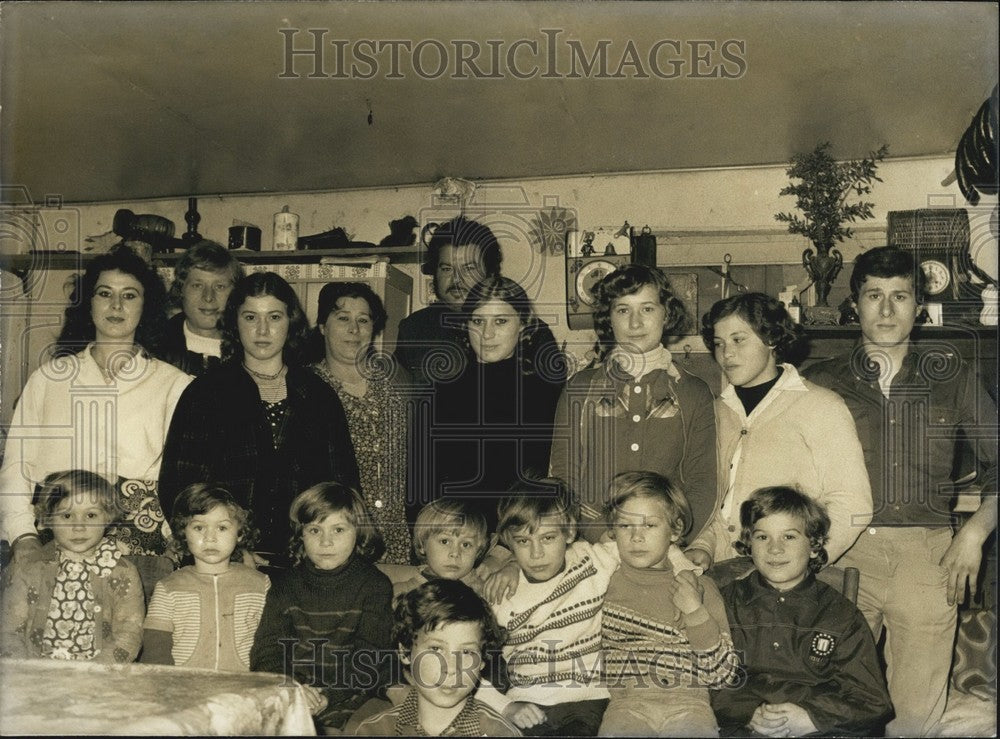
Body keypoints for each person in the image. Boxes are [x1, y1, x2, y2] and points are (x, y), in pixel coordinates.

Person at [803, 246, 997, 737]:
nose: (887, 310)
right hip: (841, 554)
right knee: (829, 707)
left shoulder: (953, 375)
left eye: (900, 296)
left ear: (918, 306)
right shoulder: (818, 383)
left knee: (914, 720)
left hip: (929, 556)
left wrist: (974, 534)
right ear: (856, 304)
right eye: (874, 295)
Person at [0, 245, 192, 598]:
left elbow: (187, 480)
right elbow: (15, 468)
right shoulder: (48, 379)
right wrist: (23, 538)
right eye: (105, 294)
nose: (116, 306)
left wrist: (175, 549)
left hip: (142, 558)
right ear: (88, 304)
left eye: (129, 295)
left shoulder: (176, 386)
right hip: (51, 548)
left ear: (146, 306)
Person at [158, 272, 360, 570]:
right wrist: (232, 551)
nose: (262, 329)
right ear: (234, 322)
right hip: (221, 561)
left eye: (274, 317)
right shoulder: (205, 392)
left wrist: (318, 550)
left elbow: (342, 487)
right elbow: (180, 488)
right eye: (251, 317)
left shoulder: (318, 395)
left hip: (305, 562)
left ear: (290, 322)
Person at [686, 292, 872, 569]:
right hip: (720, 572)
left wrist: (807, 564)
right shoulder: (715, 411)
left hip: (789, 577)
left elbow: (854, 504)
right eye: (718, 343)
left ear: (771, 339)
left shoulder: (821, 406)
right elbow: (716, 500)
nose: (727, 354)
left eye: (738, 340)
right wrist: (702, 547)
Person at [549, 264, 717, 540]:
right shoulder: (580, 387)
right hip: (594, 545)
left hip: (666, 546)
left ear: (666, 314)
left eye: (647, 309)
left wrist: (675, 540)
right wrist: (598, 533)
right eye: (623, 310)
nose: (635, 323)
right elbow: (564, 476)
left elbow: (703, 482)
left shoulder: (694, 392)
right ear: (609, 318)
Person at [713, 486, 892, 737]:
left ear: (814, 546)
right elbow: (704, 678)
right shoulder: (724, 603)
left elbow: (871, 700)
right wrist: (747, 712)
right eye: (763, 537)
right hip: (743, 725)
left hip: (816, 728)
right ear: (748, 543)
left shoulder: (840, 615)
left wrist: (813, 718)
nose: (775, 549)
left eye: (789, 537)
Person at [599, 471, 739, 737]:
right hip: (627, 706)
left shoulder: (700, 588)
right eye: (625, 526)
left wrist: (695, 612)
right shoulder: (602, 582)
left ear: (675, 530)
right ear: (612, 531)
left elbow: (723, 675)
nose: (636, 537)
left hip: (689, 706)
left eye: (649, 525)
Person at [250, 482, 394, 733]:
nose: (326, 541)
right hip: (292, 691)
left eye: (338, 529)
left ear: (358, 532)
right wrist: (293, 690)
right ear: (301, 535)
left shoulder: (374, 585)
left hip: (351, 692)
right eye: (315, 530)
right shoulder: (284, 585)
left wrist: (327, 695)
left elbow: (369, 656)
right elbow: (266, 651)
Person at [429, 276, 564, 530]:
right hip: (455, 534)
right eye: (477, 321)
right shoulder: (444, 392)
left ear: (523, 324)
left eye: (500, 321)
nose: (487, 334)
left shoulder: (543, 394)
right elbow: (428, 479)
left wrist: (505, 546)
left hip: (519, 535)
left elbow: (541, 481)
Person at [488, 479, 619, 736]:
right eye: (523, 542)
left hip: (589, 698)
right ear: (509, 542)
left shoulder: (592, 560)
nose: (536, 554)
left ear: (569, 531)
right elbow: (466, 667)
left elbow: (643, 544)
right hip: (527, 702)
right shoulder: (500, 595)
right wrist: (505, 706)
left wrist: (688, 570)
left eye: (548, 538)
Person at [394, 215, 564, 388]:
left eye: (469, 269)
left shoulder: (532, 332)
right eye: (446, 269)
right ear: (434, 274)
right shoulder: (414, 329)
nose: (457, 280)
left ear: (490, 273)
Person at [310, 281, 412, 564]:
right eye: (343, 319)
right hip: (338, 535)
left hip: (398, 534)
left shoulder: (396, 380)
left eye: (363, 320)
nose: (354, 330)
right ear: (322, 326)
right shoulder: (306, 387)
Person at [0, 470, 143, 662]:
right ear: (49, 519)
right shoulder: (29, 568)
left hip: (100, 678)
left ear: (107, 517)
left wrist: (97, 673)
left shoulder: (123, 572)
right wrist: (27, 673)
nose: (79, 526)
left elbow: (130, 633)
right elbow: (9, 631)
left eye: (91, 515)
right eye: (67, 516)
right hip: (36, 677)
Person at [351, 579, 520, 736]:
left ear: (482, 659)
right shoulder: (374, 730)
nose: (452, 668)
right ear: (405, 652)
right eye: (436, 649)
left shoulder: (499, 732)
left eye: (467, 652)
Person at [141, 483, 269, 671]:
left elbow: (270, 642)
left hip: (244, 685)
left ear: (240, 533)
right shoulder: (169, 587)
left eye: (222, 528)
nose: (210, 537)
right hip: (186, 685)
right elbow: (155, 648)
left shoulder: (259, 584)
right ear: (183, 532)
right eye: (199, 528)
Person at [161, 239, 245, 377]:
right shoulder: (154, 349)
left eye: (220, 286)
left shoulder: (250, 350)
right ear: (181, 289)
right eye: (197, 285)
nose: (208, 297)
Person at [392, 498, 491, 599]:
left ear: (478, 552)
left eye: (466, 544)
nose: (455, 553)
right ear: (422, 545)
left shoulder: (485, 594)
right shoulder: (399, 594)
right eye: (445, 541)